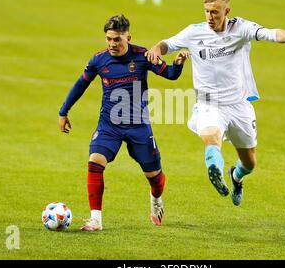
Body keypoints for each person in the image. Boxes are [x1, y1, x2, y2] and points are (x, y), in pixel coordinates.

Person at [146, 0, 285, 206]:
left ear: (227, 11)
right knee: (211, 138)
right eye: (207, 11)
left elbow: (271, 34)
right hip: (209, 104)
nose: (210, 17)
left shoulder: (241, 28)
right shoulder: (194, 32)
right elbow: (167, 43)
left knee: (250, 162)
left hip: (238, 105)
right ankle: (215, 169)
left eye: (215, 12)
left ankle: (236, 176)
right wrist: (156, 49)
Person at [58, 14, 189, 231]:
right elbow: (80, 85)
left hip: (138, 126)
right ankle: (95, 220)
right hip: (109, 126)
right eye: (109, 39)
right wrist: (64, 111)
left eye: (117, 39)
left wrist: (178, 63)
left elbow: (171, 75)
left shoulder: (143, 56)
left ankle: (156, 199)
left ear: (128, 37)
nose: (112, 44)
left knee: (155, 177)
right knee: (95, 162)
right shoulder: (99, 60)